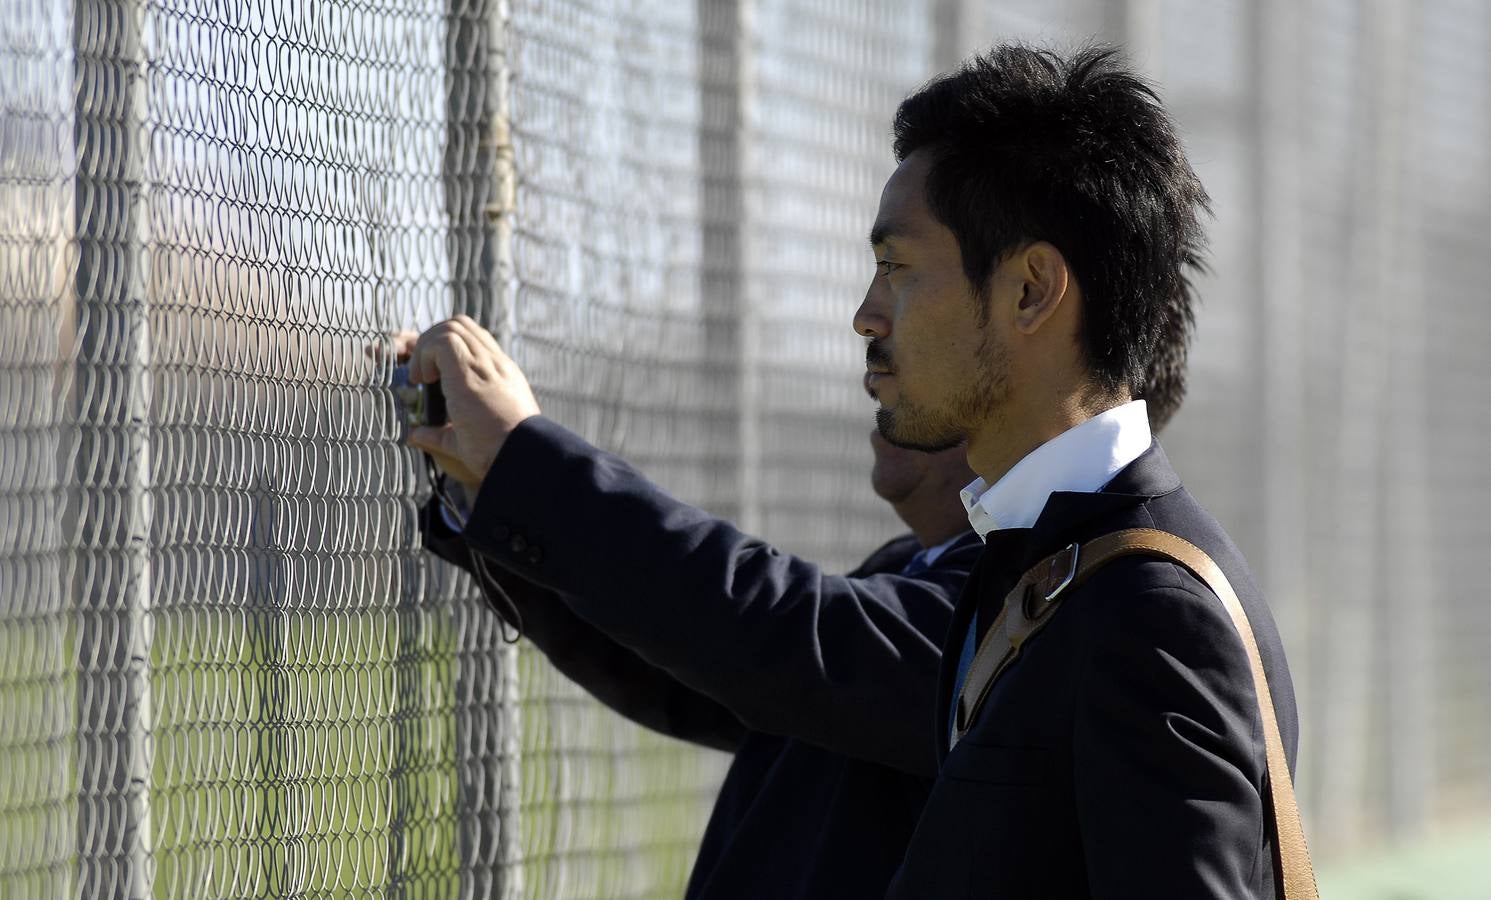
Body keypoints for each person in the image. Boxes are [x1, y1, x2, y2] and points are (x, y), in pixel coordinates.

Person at [850, 45, 1299, 898]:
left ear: (1029, 291)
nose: (867, 315)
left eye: (897, 267)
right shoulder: (1036, 560)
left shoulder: (1151, 615)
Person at [400, 320, 981, 898]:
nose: (874, 355)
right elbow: (700, 668)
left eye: (902, 272)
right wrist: (495, 489)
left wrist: (524, 464)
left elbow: (774, 633)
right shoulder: (918, 566)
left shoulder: (1022, 602)